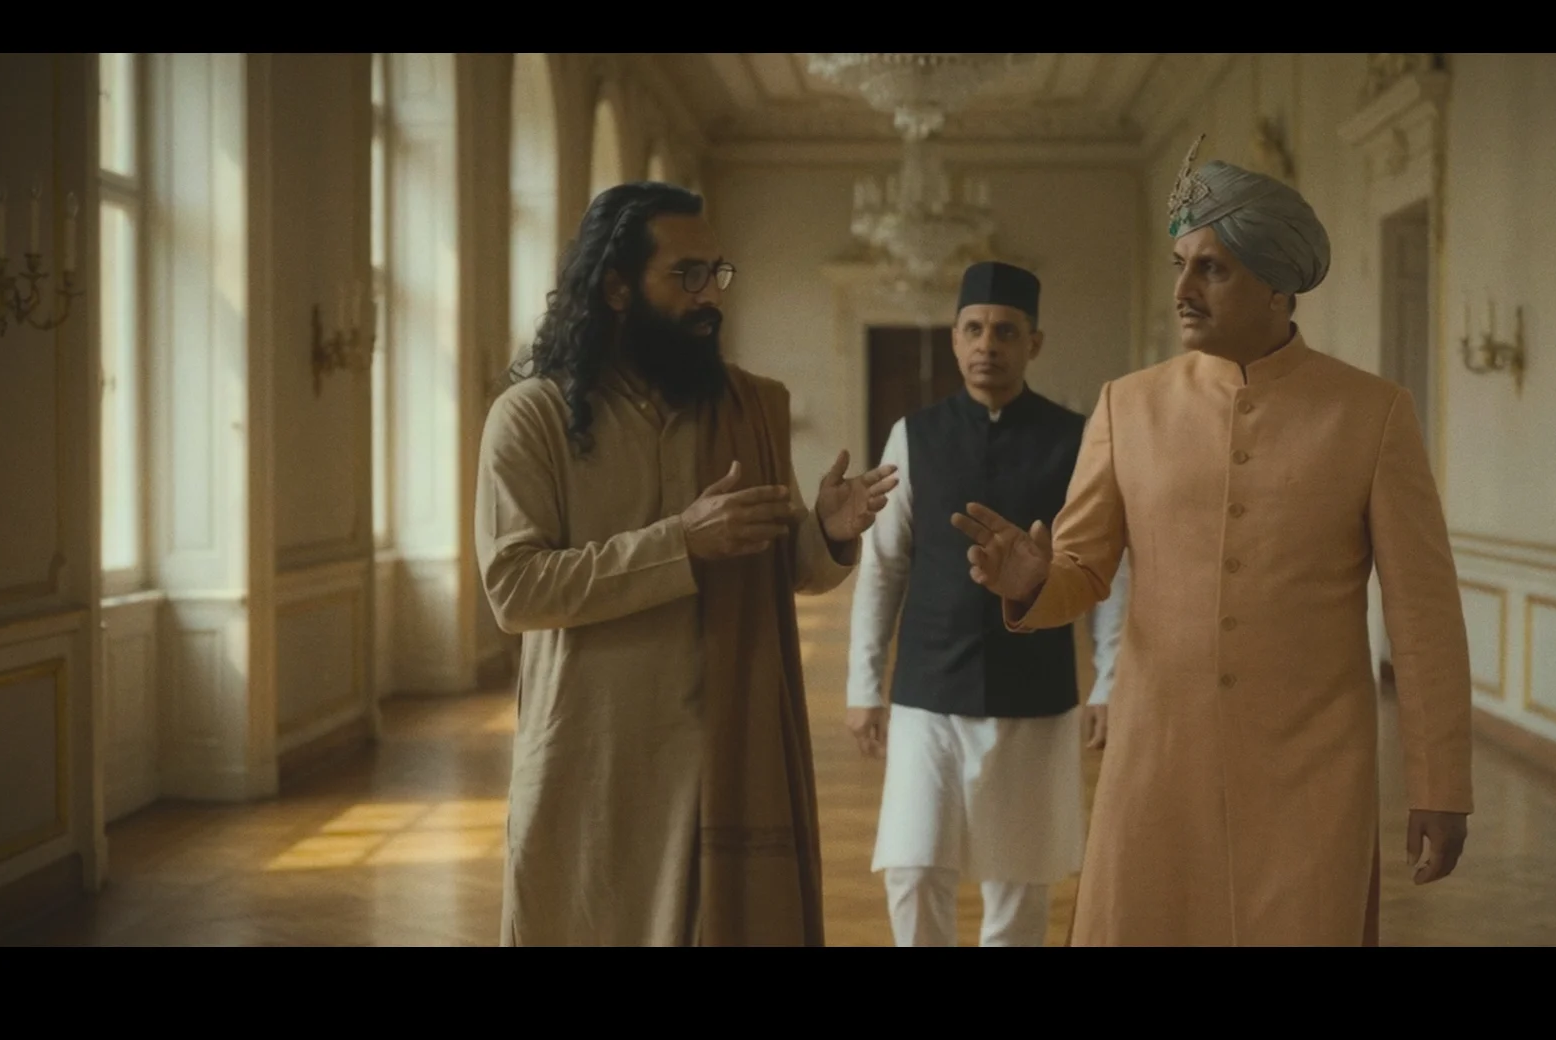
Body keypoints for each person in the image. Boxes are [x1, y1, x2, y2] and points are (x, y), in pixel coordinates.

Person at [951, 138, 1474, 946]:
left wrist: (1440, 784)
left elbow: (1424, 615)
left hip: (1312, 770)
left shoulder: (1372, 414)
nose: (1183, 290)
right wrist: (1030, 581)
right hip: (1158, 758)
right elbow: (1081, 569)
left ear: (1277, 286)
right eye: (1179, 265)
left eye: (1212, 269)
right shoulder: (1128, 406)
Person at [473, 181, 898, 946]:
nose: (711, 295)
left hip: (725, 757)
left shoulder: (748, 408)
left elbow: (784, 567)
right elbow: (515, 589)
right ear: (615, 287)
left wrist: (827, 534)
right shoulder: (530, 416)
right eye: (686, 275)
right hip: (593, 761)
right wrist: (680, 543)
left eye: (717, 273)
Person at [845, 262, 1131, 947]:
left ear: (1034, 342)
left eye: (1005, 331)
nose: (987, 345)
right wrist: (862, 686)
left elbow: (1108, 573)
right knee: (913, 869)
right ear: (954, 339)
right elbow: (883, 567)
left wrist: (1111, 681)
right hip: (927, 687)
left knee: (1019, 882)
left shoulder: (1077, 438)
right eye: (973, 329)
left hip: (1035, 691)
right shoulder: (913, 435)